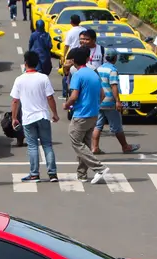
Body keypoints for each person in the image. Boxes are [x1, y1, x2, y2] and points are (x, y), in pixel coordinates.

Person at [11, 51, 59, 183]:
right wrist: (54, 113)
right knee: (47, 145)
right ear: (37, 63)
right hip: (43, 116)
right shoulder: (43, 78)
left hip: (28, 118)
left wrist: (14, 118)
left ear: (25, 63)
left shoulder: (19, 80)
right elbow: (50, 97)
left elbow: (15, 101)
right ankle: (52, 174)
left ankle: (34, 174)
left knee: (32, 147)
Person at [63, 47, 109, 184]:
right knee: (85, 145)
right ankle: (82, 174)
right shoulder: (94, 73)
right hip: (94, 113)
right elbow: (103, 95)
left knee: (76, 142)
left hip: (81, 114)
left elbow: (74, 96)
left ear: (73, 61)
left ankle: (99, 167)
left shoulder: (78, 75)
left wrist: (67, 105)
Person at [92, 49, 139, 155]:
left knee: (98, 125)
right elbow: (114, 86)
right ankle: (125, 146)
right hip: (109, 102)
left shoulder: (99, 68)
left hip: (99, 101)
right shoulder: (112, 70)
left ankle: (94, 147)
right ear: (115, 58)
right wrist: (118, 101)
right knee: (117, 126)